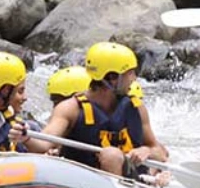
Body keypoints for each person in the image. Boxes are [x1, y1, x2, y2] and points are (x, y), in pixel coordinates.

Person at [13, 42, 168, 177]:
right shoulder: (70, 109)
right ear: (112, 78)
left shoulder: (137, 108)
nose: (134, 79)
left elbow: (159, 151)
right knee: (111, 154)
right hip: (84, 181)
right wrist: (25, 137)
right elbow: (44, 143)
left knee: (112, 155)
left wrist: (146, 151)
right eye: (129, 73)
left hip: (132, 185)